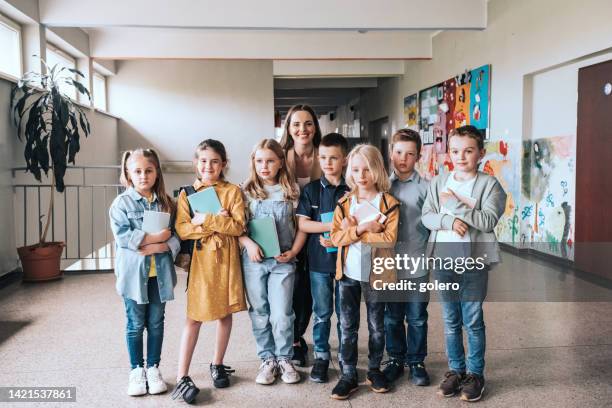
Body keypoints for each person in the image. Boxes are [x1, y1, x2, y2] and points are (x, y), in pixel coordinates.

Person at [422, 125, 506, 402]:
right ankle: (455, 371)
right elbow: (427, 217)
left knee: (471, 319)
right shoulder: (439, 182)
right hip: (444, 260)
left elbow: (487, 221)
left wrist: (456, 206)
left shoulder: (489, 185)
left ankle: (475, 374)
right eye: (456, 150)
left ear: (480, 153)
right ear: (449, 153)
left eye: (468, 151)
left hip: (474, 262)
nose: (461, 156)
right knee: (450, 319)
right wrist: (447, 220)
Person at [171, 139, 247, 404]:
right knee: (194, 317)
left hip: (226, 261)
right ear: (196, 163)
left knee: (225, 315)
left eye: (215, 161)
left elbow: (238, 227)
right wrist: (216, 222)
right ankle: (182, 375)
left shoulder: (233, 192)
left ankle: (217, 363)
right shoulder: (187, 193)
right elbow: (183, 228)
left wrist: (207, 218)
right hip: (202, 263)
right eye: (203, 161)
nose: (209, 166)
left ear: (223, 164)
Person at [329, 144, 400, 400]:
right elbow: (336, 238)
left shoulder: (389, 204)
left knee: (376, 325)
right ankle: (348, 373)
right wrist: (360, 230)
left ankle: (373, 369)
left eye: (367, 169)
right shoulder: (344, 204)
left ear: (377, 170)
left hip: (377, 275)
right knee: (347, 326)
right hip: (348, 274)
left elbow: (389, 240)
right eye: (356, 169)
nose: (362, 175)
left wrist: (361, 230)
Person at [109, 148, 180, 397]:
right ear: (128, 173)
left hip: (158, 276)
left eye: (148, 171)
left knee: (156, 323)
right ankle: (136, 370)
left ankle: (153, 368)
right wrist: (155, 240)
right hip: (132, 277)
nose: (143, 176)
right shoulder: (121, 204)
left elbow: (176, 238)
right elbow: (125, 239)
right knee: (135, 324)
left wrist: (161, 244)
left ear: (156, 172)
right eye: (137, 171)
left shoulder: (167, 203)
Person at [239, 139, 307, 385]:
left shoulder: (292, 192)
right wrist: (248, 243)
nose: (264, 166)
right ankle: (267, 359)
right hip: (254, 261)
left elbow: (301, 227)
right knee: (259, 311)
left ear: (280, 163)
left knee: (281, 314)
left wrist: (294, 252)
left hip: (283, 262)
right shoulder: (244, 192)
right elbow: (236, 228)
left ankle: (284, 357)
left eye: (270, 161)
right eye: (259, 161)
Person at [296, 133, 350, 383]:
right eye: (324, 157)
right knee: (321, 312)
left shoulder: (353, 190)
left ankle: (345, 357)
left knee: (345, 313)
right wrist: (334, 229)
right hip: (318, 263)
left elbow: (358, 225)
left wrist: (339, 234)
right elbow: (304, 225)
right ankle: (321, 356)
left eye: (334, 158)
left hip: (347, 262)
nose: (328, 162)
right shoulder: (311, 190)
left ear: (345, 160)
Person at [382, 129, 431, 386]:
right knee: (392, 316)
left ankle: (416, 361)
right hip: (389, 264)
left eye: (410, 154)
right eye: (399, 152)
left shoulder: (426, 188)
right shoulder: (382, 185)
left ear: (418, 157)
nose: (403, 158)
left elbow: (433, 225)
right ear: (391, 154)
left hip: (417, 262)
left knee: (417, 316)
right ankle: (396, 359)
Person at [279, 104, 323, 366]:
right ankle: (293, 339)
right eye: (296, 124)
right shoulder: (281, 157)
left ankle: (303, 335)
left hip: (317, 233)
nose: (302, 129)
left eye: (308, 123)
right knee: (290, 288)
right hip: (287, 232)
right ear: (289, 128)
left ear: (315, 127)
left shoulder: (325, 154)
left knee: (308, 289)